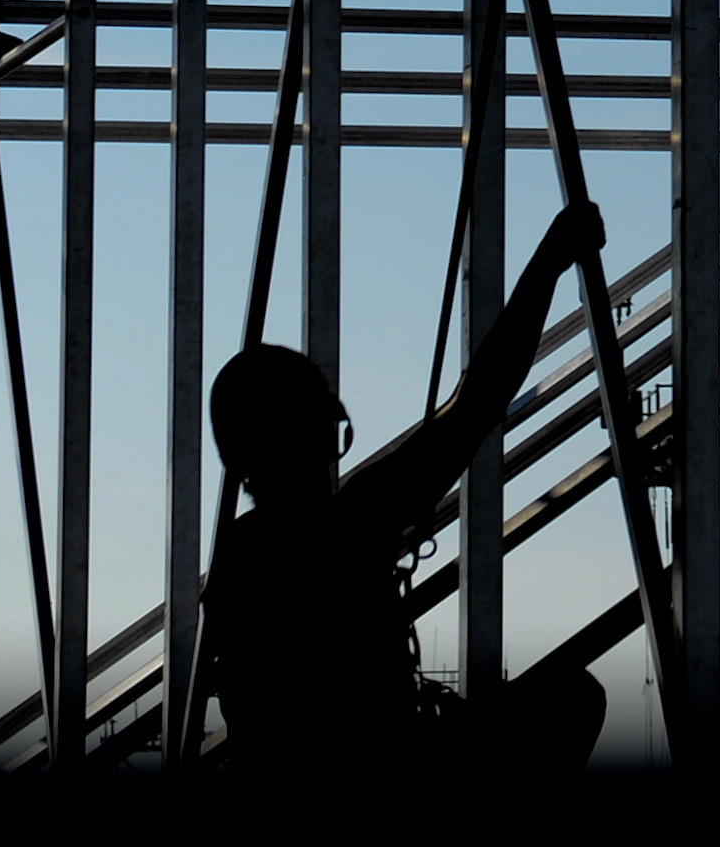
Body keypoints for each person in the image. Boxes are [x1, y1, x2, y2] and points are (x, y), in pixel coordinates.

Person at [198, 197, 613, 776]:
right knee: (572, 698)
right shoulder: (346, 524)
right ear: (319, 431)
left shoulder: (241, 559)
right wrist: (550, 259)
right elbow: (478, 402)